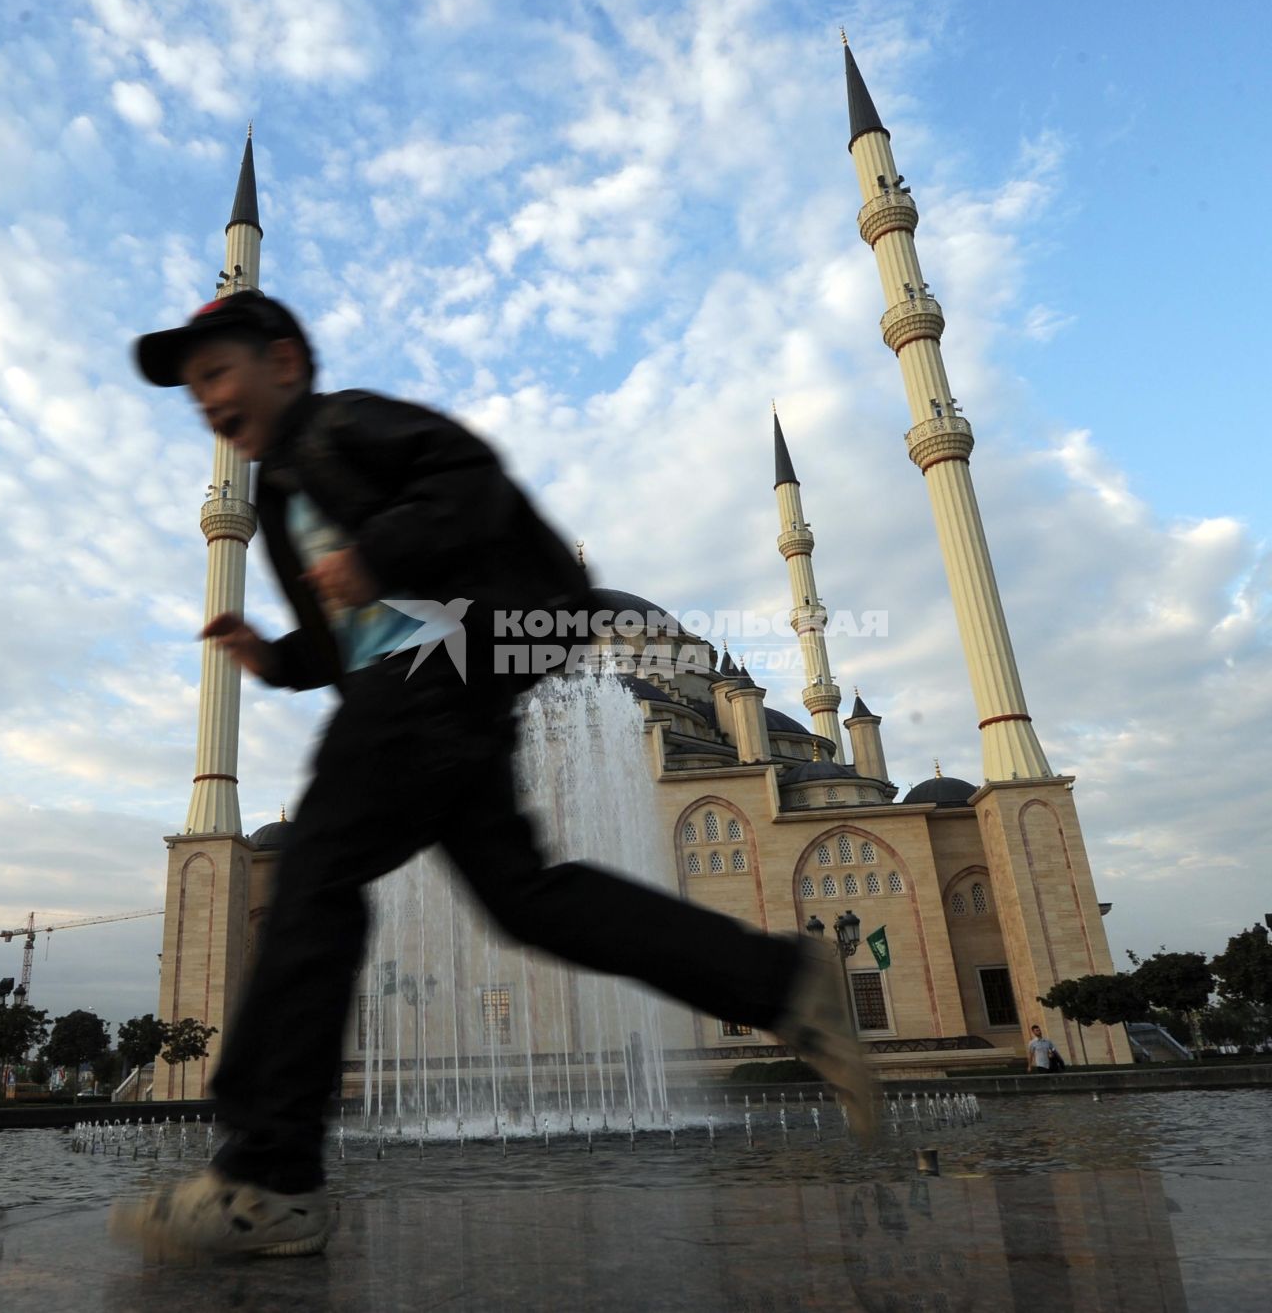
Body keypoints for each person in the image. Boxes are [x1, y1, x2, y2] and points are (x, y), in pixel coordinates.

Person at [111, 292, 876, 1259]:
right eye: (191, 385)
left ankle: (266, 1179)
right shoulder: (276, 493)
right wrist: (279, 658)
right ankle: (782, 978)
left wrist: (377, 554)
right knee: (527, 898)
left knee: (314, 880)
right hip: (432, 687)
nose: (204, 396)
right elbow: (343, 628)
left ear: (284, 364)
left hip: (445, 673)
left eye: (216, 370)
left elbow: (469, 479)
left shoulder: (346, 425)